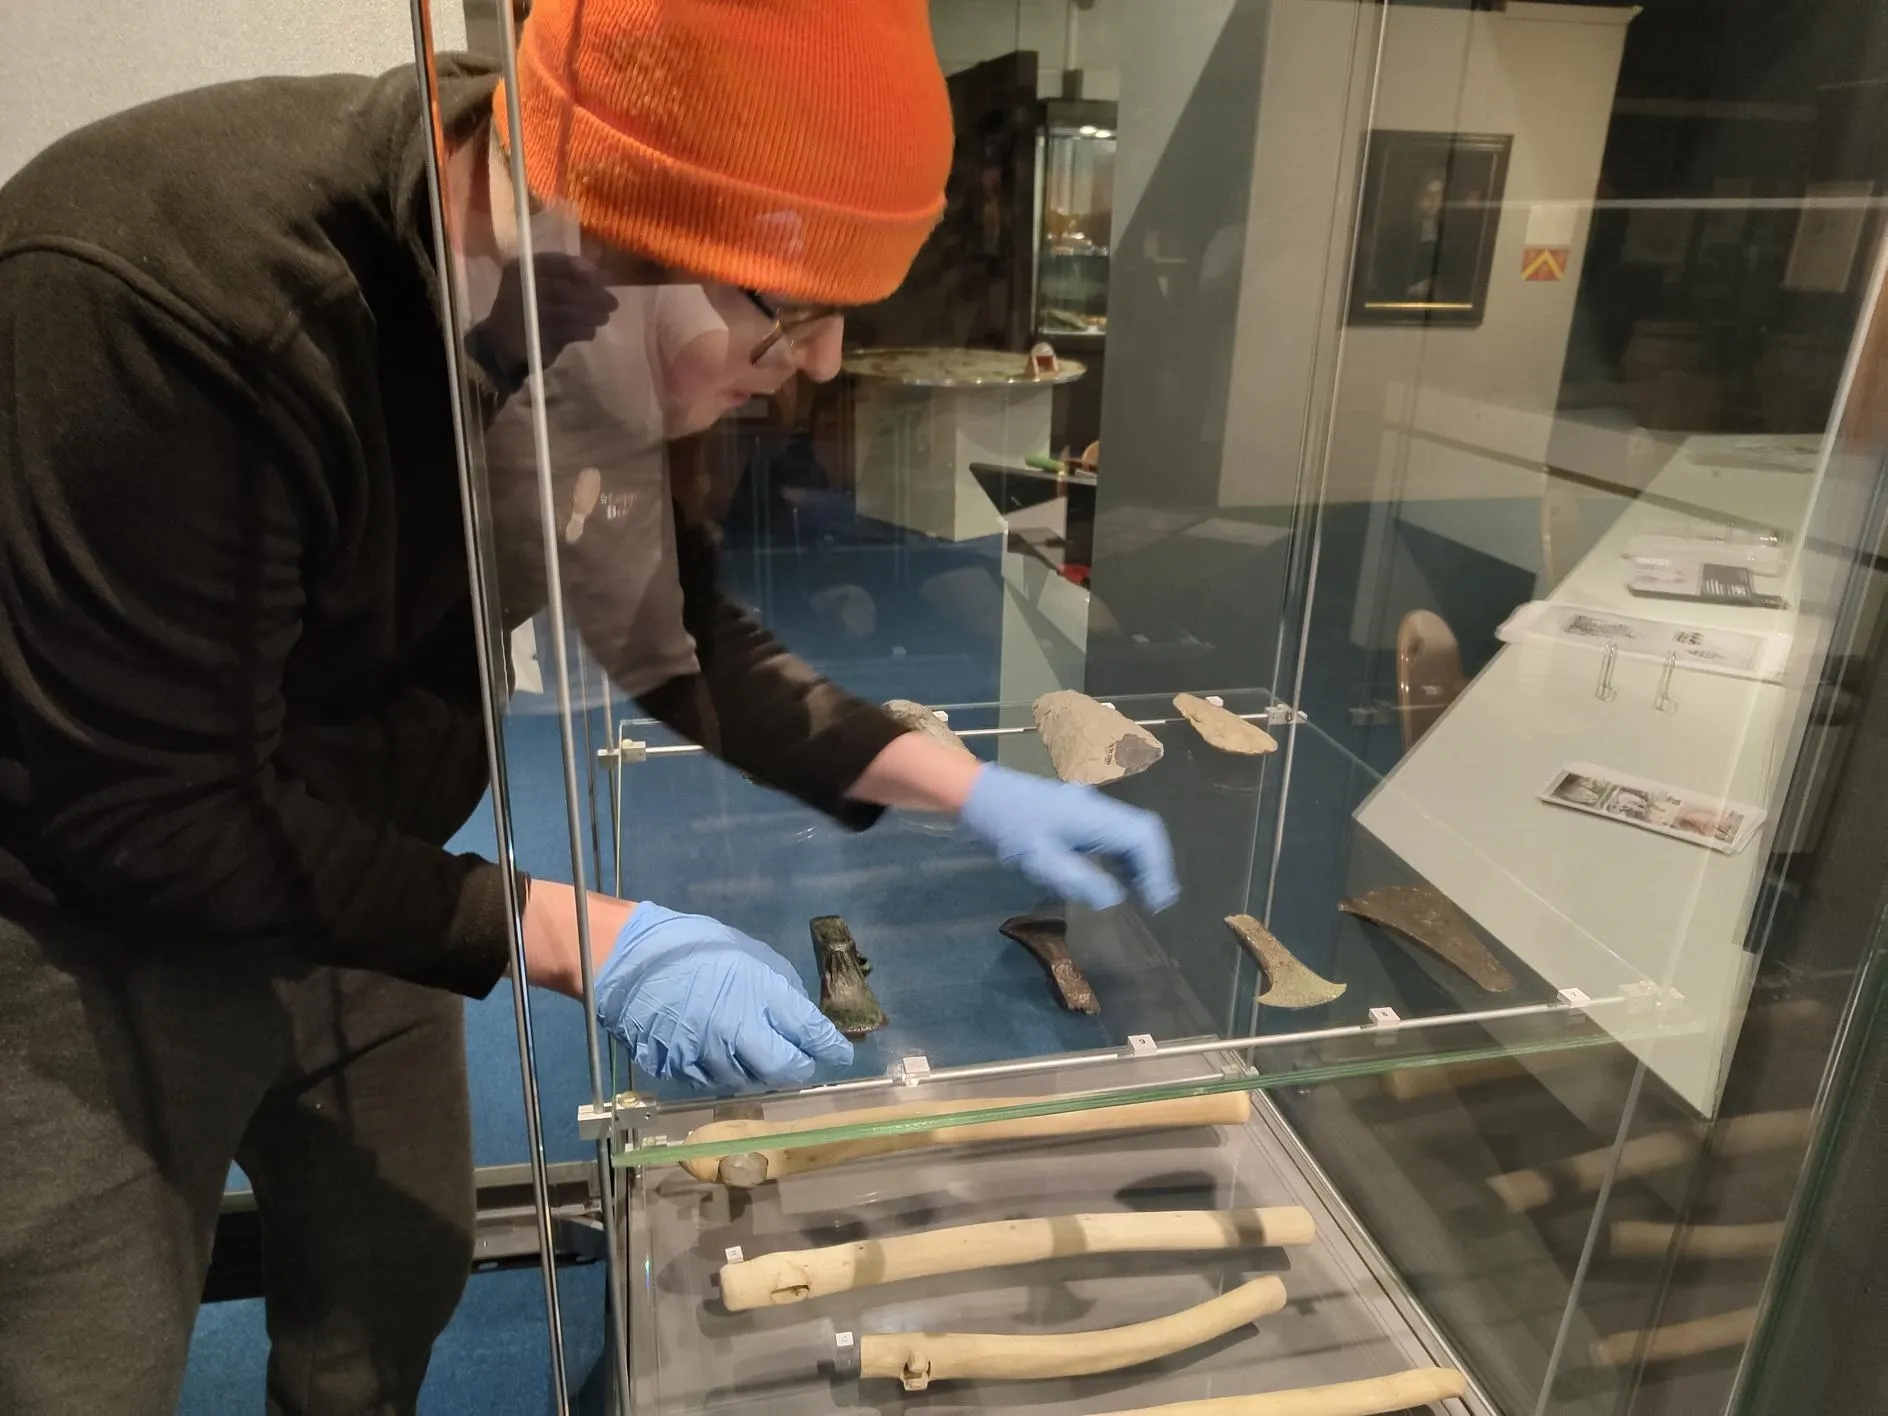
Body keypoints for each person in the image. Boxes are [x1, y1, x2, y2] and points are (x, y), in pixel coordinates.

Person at [0, 0, 1177, 1409]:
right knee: (81, 1357)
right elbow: (142, 813)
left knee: (392, 1277)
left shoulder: (570, 322)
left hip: (365, 871)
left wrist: (959, 785)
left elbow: (670, 633)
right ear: (577, 221)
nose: (813, 367)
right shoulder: (157, 294)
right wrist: (587, 938)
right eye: (786, 308)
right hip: (82, 916)